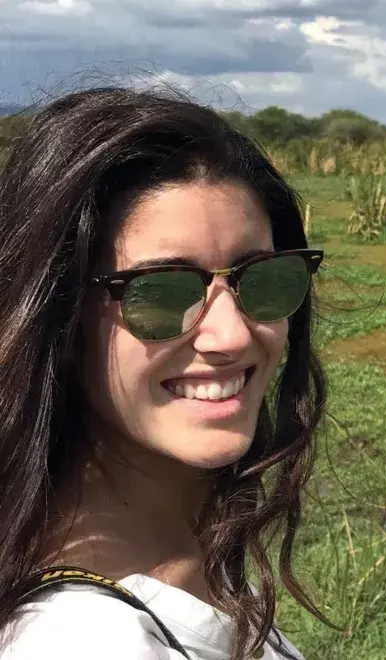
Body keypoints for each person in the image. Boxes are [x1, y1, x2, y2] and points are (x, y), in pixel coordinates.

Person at [0, 85, 335, 659]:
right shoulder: (82, 642)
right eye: (159, 292)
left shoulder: (187, 546)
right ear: (57, 319)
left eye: (263, 278)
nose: (231, 335)